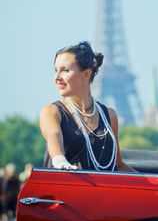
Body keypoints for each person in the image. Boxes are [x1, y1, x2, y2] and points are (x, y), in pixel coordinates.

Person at [40, 41, 136, 172]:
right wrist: (59, 160)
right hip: (65, 190)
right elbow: (54, 138)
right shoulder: (52, 112)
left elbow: (118, 165)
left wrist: (155, 184)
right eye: (56, 70)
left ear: (86, 74)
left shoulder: (110, 115)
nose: (57, 77)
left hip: (103, 191)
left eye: (65, 70)